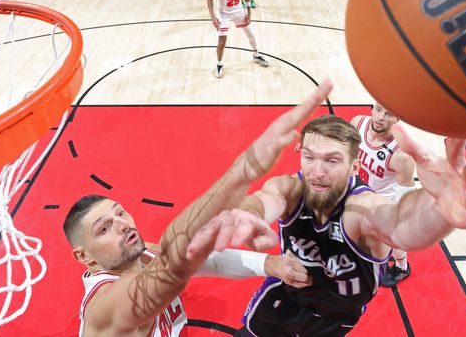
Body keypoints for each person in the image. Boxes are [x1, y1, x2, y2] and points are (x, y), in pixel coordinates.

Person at [189, 115, 466, 336]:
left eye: (331, 160)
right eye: (309, 157)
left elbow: (403, 228)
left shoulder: (361, 207)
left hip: (338, 315)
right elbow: (265, 199)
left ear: (354, 164)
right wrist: (246, 214)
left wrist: (440, 207)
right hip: (287, 297)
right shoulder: (291, 189)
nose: (317, 171)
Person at [63, 81, 332, 336]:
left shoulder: (142, 254)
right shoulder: (103, 308)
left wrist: (270, 263)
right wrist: (241, 173)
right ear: (85, 257)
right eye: (104, 228)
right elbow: (172, 267)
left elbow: (207, 262)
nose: (121, 224)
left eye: (120, 213)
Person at [351, 102, 416, 287]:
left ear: (397, 119)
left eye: (388, 114)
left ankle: (402, 266)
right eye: (378, 110)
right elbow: (340, 142)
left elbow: (406, 196)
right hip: (359, 188)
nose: (380, 117)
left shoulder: (402, 154)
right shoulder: (358, 123)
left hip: (384, 200)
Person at [207, 0, 269, 79]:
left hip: (238, 11)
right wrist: (213, 17)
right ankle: (219, 64)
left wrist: (249, 13)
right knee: (222, 42)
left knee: (250, 34)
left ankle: (256, 55)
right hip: (223, 14)